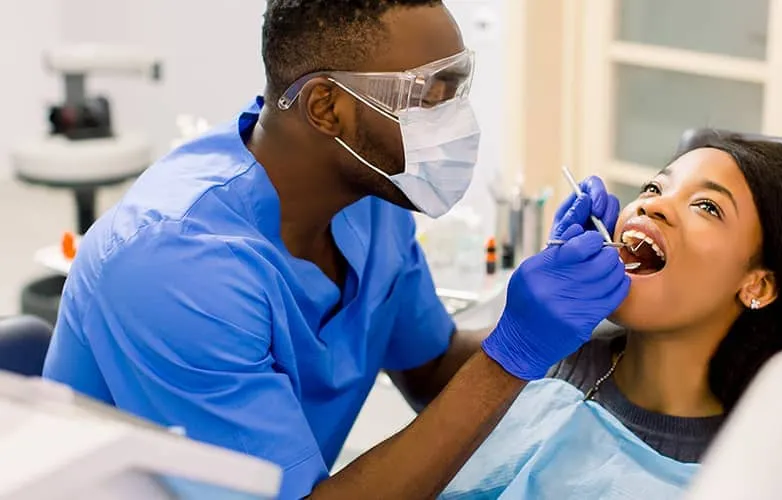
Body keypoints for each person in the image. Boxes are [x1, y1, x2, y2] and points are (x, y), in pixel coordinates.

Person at [41, 1, 630, 499]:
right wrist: (514, 351)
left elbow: (429, 368)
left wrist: (574, 307)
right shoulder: (174, 264)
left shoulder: (369, 194)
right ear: (327, 107)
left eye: (459, 87)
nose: (457, 120)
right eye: (430, 94)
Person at [443, 136, 782, 500]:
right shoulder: (560, 353)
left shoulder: (762, 458)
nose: (651, 205)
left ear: (759, 285)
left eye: (706, 206)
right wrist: (519, 333)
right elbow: (437, 378)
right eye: (654, 187)